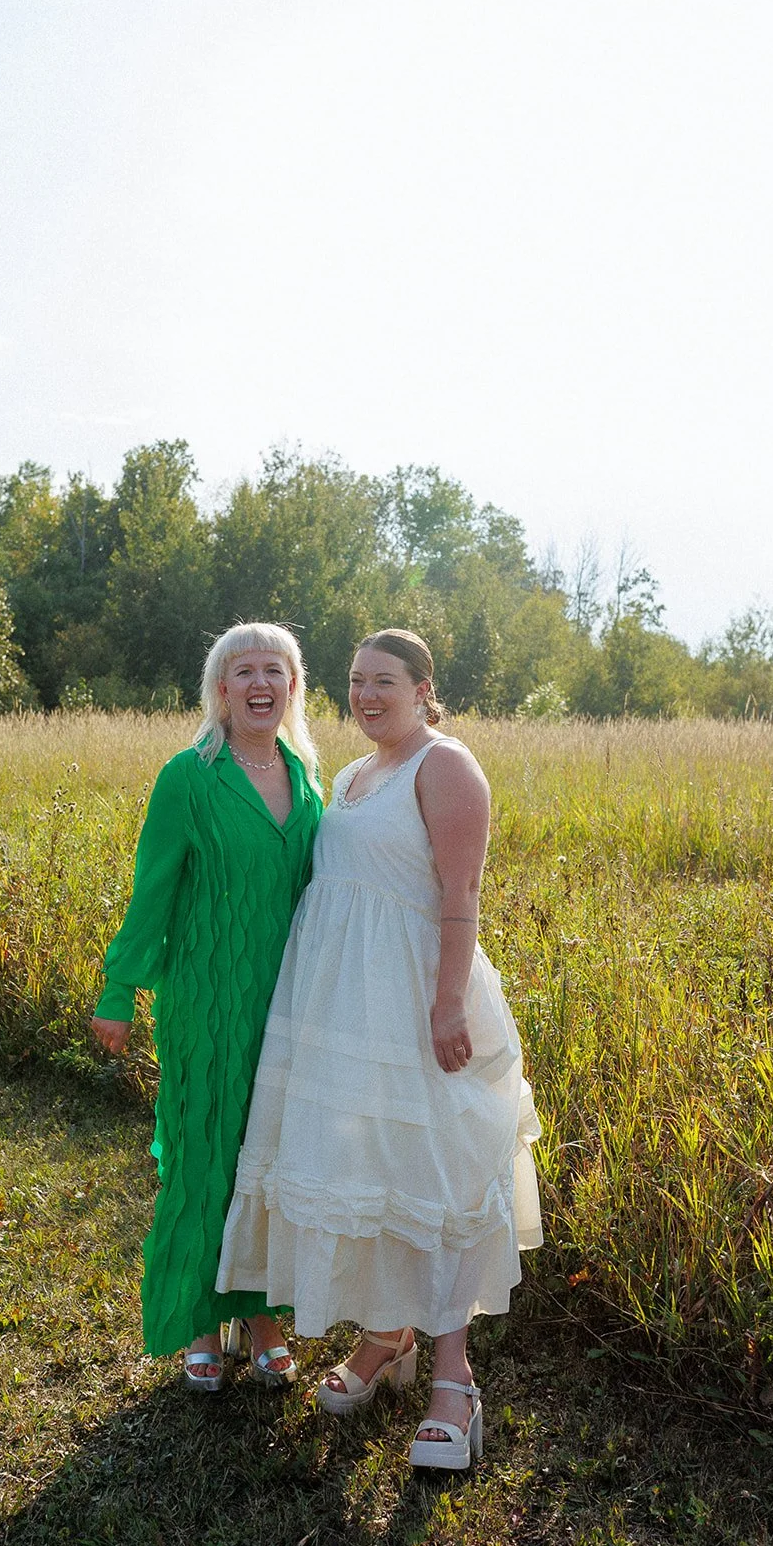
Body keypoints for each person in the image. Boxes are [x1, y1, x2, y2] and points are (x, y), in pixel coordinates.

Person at [216, 628, 542, 1467]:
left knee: (429, 1173)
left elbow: (461, 896)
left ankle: (451, 1382)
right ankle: (385, 1336)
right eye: (355, 682)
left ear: (423, 687)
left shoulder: (445, 765)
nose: (365, 696)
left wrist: (442, 1005)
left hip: (414, 1002)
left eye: (384, 682)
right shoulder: (354, 775)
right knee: (362, 1169)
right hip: (339, 1011)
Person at [91, 622, 323, 1390]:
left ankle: (259, 1318)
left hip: (285, 1007)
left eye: (275, 671)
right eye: (243, 670)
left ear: (293, 686)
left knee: (270, 1159)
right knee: (201, 1154)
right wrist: (118, 991)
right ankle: (197, 1315)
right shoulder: (188, 776)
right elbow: (150, 893)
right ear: (219, 688)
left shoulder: (307, 776)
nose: (260, 684)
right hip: (206, 1000)